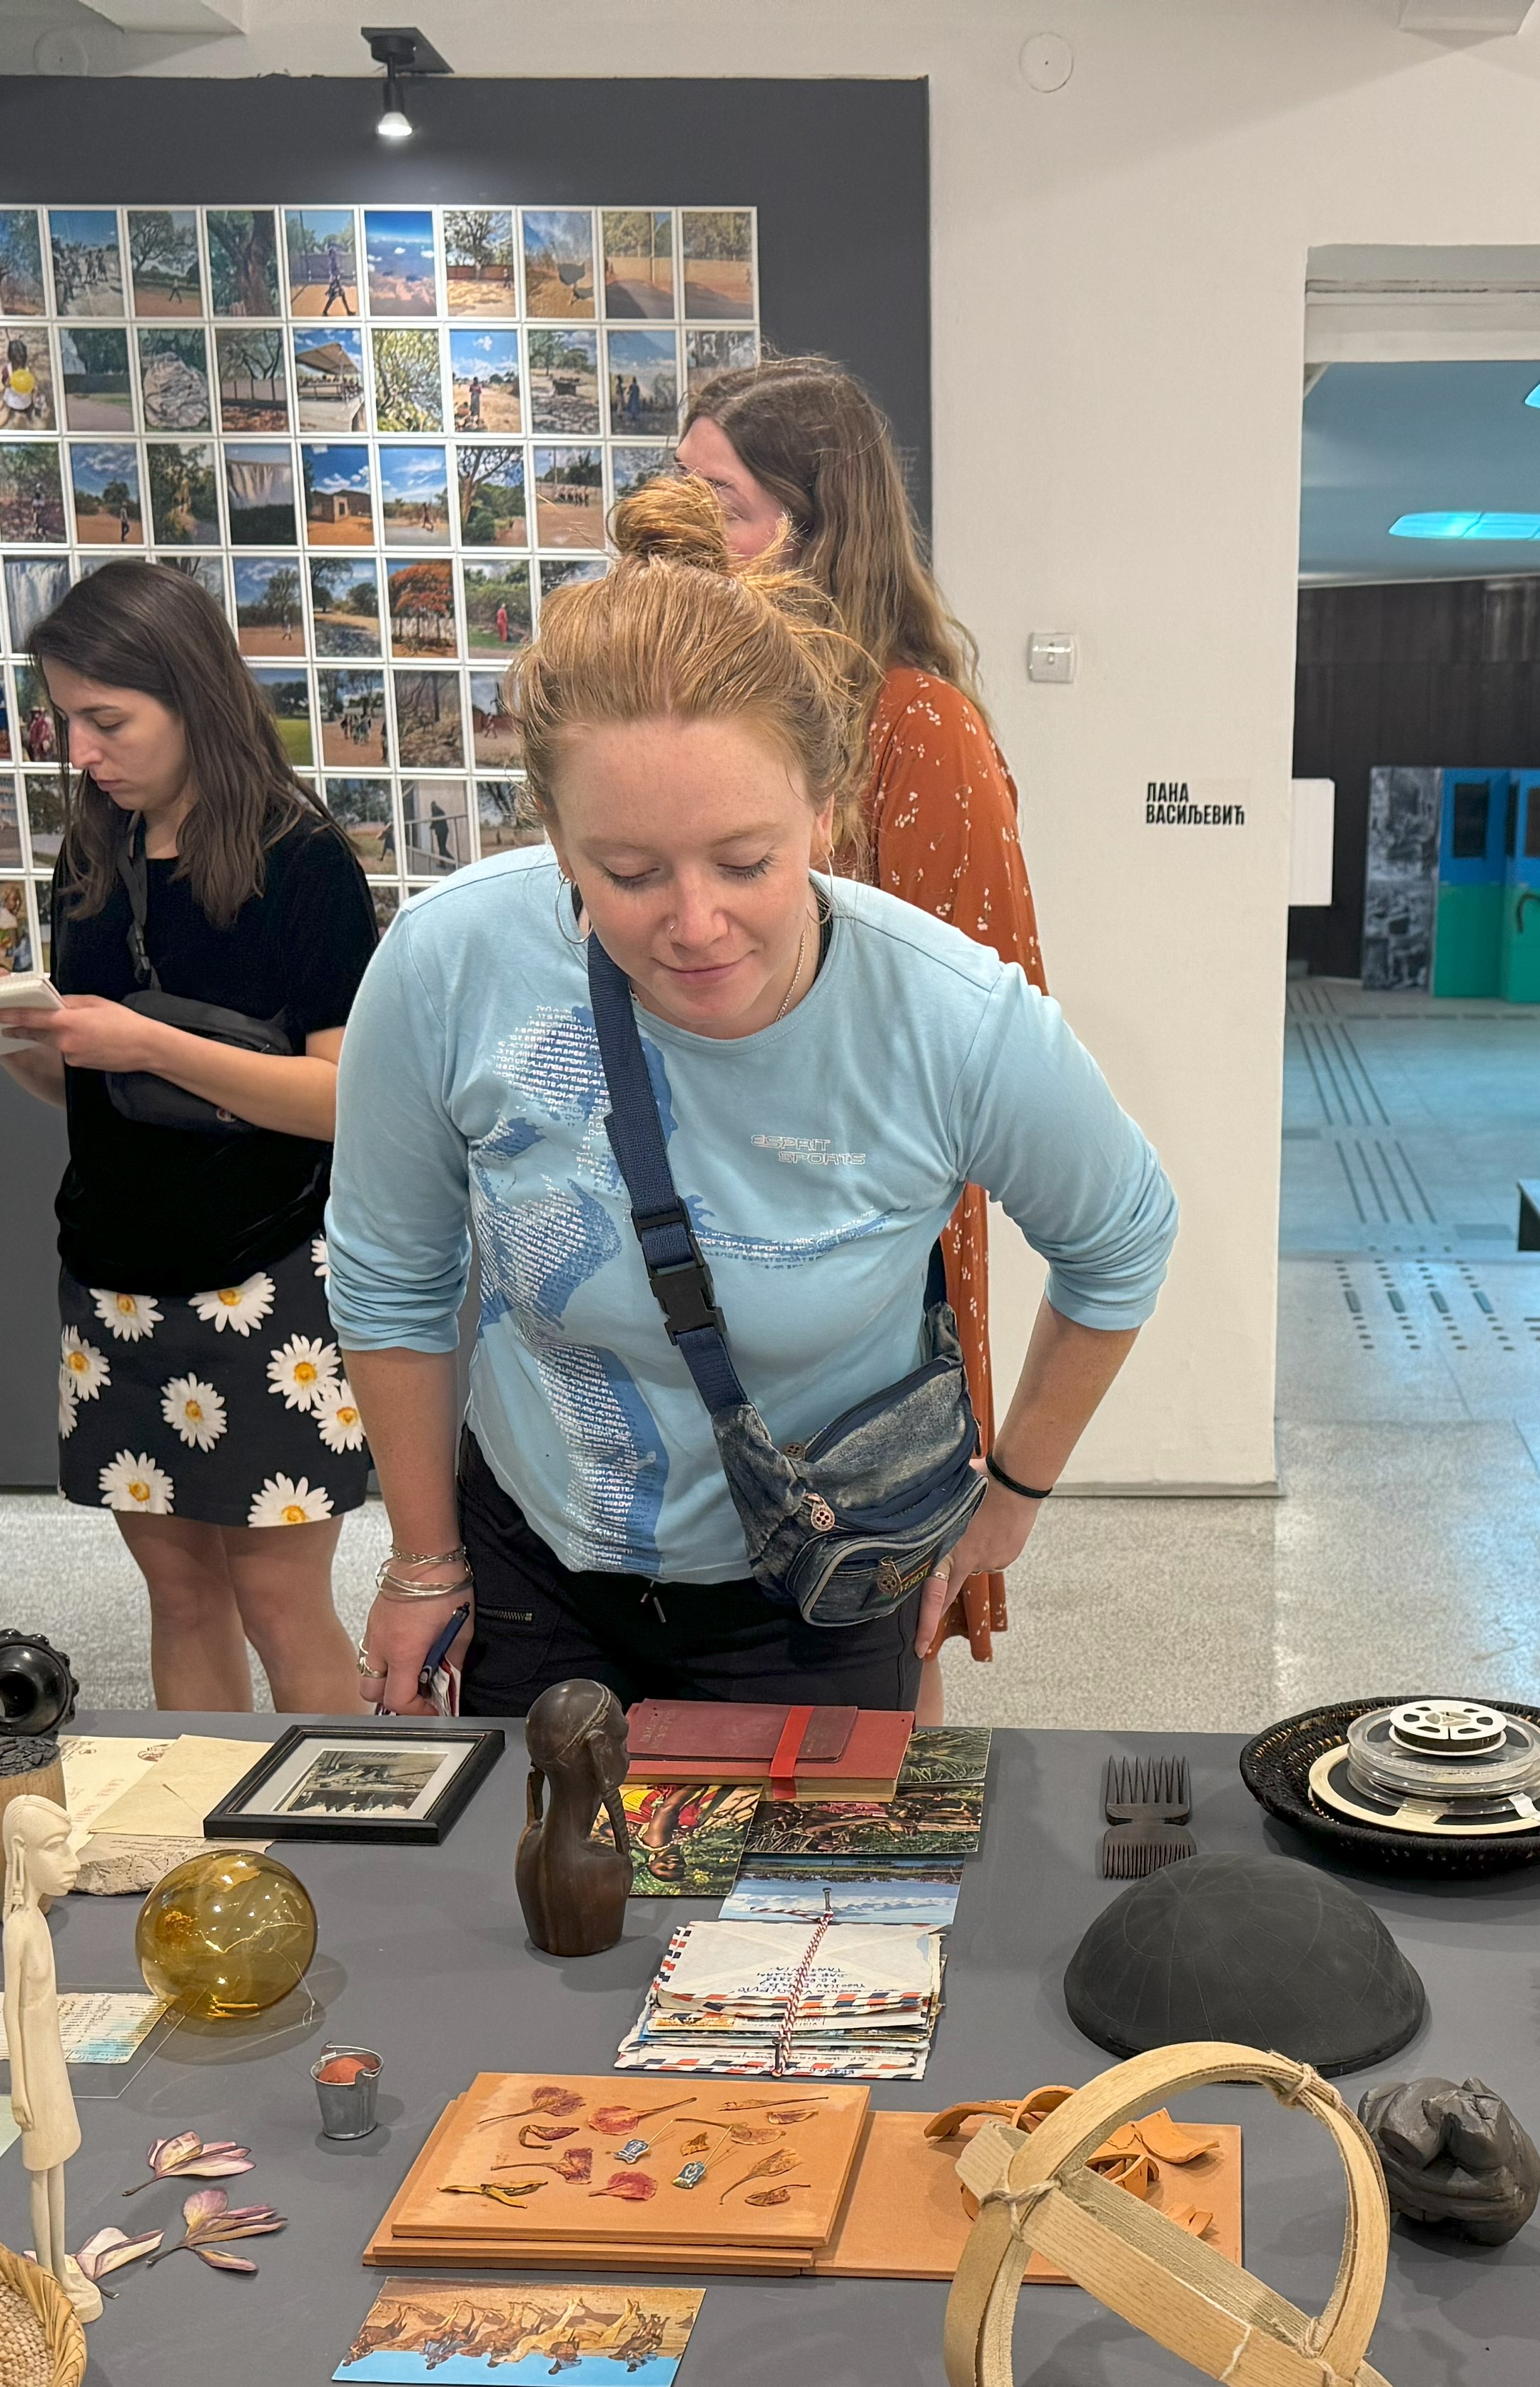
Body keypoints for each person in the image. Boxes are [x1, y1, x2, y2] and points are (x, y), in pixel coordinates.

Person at [328, 478, 1177, 1720]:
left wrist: (1014, 1500)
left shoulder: (947, 1016)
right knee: (543, 1902)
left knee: (815, 1910)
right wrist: (421, 1558)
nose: (695, 923)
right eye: (625, 873)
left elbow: (1124, 1238)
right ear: (558, 844)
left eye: (746, 861)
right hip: (536, 1560)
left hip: (823, 1582)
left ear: (824, 818)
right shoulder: (452, 962)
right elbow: (391, 1272)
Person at [0, 559, 380, 1712]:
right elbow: (85, 1093)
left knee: (282, 1602)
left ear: (194, 699)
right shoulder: (93, 858)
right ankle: (205, 1854)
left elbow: (341, 1101)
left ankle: (350, 1851)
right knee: (178, 1600)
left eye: (107, 720)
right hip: (114, 1274)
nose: (81, 751)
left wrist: (147, 1043)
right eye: (66, 720)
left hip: (268, 1276)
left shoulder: (307, 863)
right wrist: (2, 1032)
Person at [678, 354, 1040, 1670]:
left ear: (814, 522)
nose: (692, 538)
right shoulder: (702, 732)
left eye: (724, 505)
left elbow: (996, 1024)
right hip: (706, 1209)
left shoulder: (914, 724)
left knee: (880, 1602)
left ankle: (886, 1879)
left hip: (865, 1225)